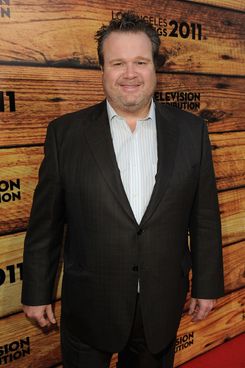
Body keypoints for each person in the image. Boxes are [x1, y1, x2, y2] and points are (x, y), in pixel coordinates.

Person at [22, 11, 224, 368]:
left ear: (154, 69)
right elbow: (45, 225)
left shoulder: (193, 132)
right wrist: (37, 292)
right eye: (117, 62)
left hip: (160, 307)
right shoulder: (65, 134)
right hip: (89, 307)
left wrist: (207, 285)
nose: (129, 73)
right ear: (102, 70)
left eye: (140, 62)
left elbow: (204, 216)